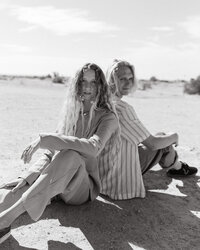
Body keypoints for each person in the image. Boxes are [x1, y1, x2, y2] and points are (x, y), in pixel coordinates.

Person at [0, 63, 120, 244]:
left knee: (70, 155)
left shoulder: (108, 117)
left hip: (81, 188)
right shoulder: (73, 112)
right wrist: (27, 177)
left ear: (101, 85)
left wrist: (47, 138)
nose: (87, 87)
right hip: (56, 181)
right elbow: (50, 153)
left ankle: (4, 221)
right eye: (83, 81)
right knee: (11, 193)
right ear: (77, 84)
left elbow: (93, 147)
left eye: (93, 82)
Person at [98, 59, 197, 200]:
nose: (128, 83)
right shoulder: (123, 109)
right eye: (122, 79)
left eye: (130, 78)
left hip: (101, 175)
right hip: (118, 179)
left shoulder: (101, 102)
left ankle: (175, 165)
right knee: (163, 141)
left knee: (156, 137)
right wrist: (174, 136)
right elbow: (153, 144)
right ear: (112, 80)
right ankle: (177, 167)